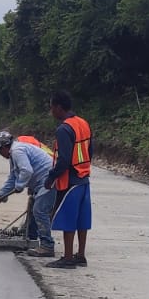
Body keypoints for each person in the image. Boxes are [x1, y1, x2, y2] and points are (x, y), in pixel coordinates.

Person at [0, 130, 56, 257]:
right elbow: (13, 178)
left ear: (4, 147)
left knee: (39, 211)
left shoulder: (17, 151)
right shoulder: (14, 154)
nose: (0, 154)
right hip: (41, 182)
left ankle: (47, 246)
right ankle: (32, 239)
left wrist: (20, 186)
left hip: (48, 180)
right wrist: (1, 196)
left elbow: (26, 171)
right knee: (33, 209)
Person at [46, 90, 94, 268]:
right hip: (84, 178)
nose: (51, 112)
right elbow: (90, 151)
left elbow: (64, 159)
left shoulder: (64, 129)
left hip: (71, 180)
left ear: (59, 107)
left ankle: (67, 258)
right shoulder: (83, 123)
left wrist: (51, 177)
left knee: (68, 218)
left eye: (52, 108)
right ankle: (80, 255)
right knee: (82, 219)